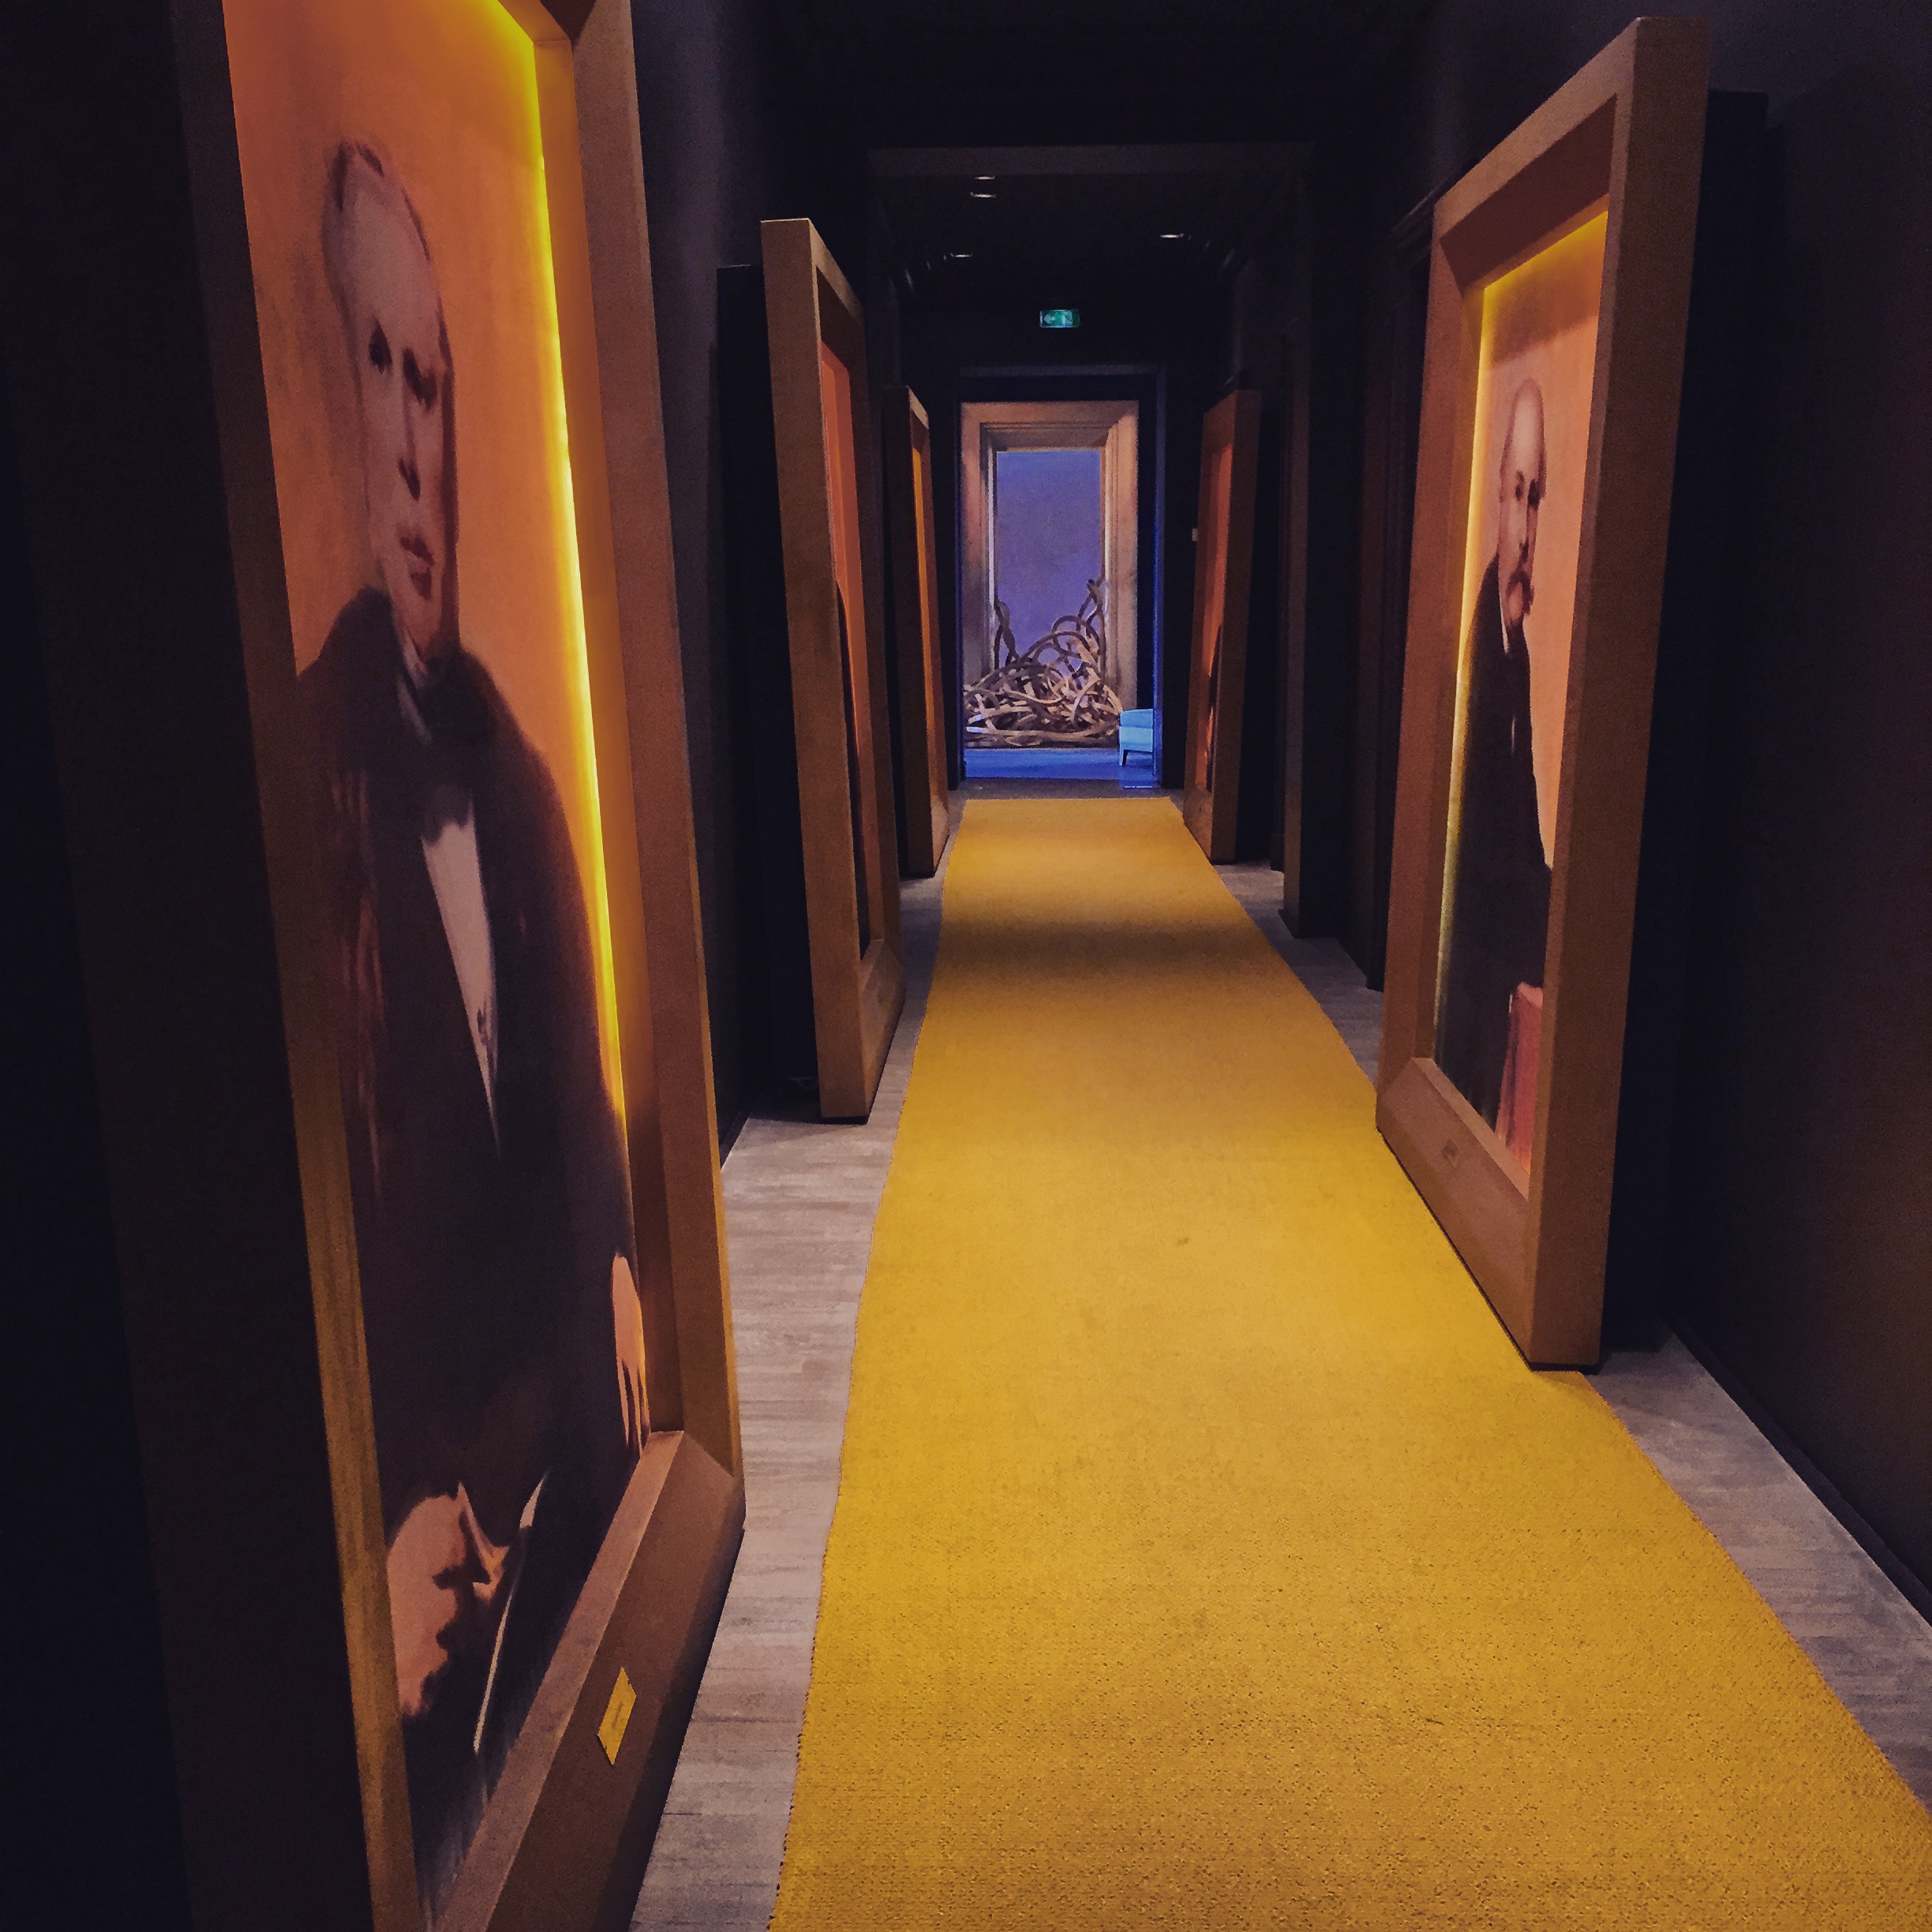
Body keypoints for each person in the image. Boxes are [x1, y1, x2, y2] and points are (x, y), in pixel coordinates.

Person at [303, 141, 647, 1909]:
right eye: (378, 369)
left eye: (432, 380)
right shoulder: (294, 801)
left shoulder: (523, 794)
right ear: (329, 398)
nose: (412, 436)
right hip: (421, 1605)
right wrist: (353, 1576)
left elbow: (579, 1151)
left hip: (560, 1511)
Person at [1436, 379, 1553, 1133]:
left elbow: (1525, 825)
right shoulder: (1481, 644)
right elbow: (1488, 848)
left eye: (1536, 499)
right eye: (1516, 495)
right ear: (1494, 502)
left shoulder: (1515, 649)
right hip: (1476, 964)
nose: (1528, 527)